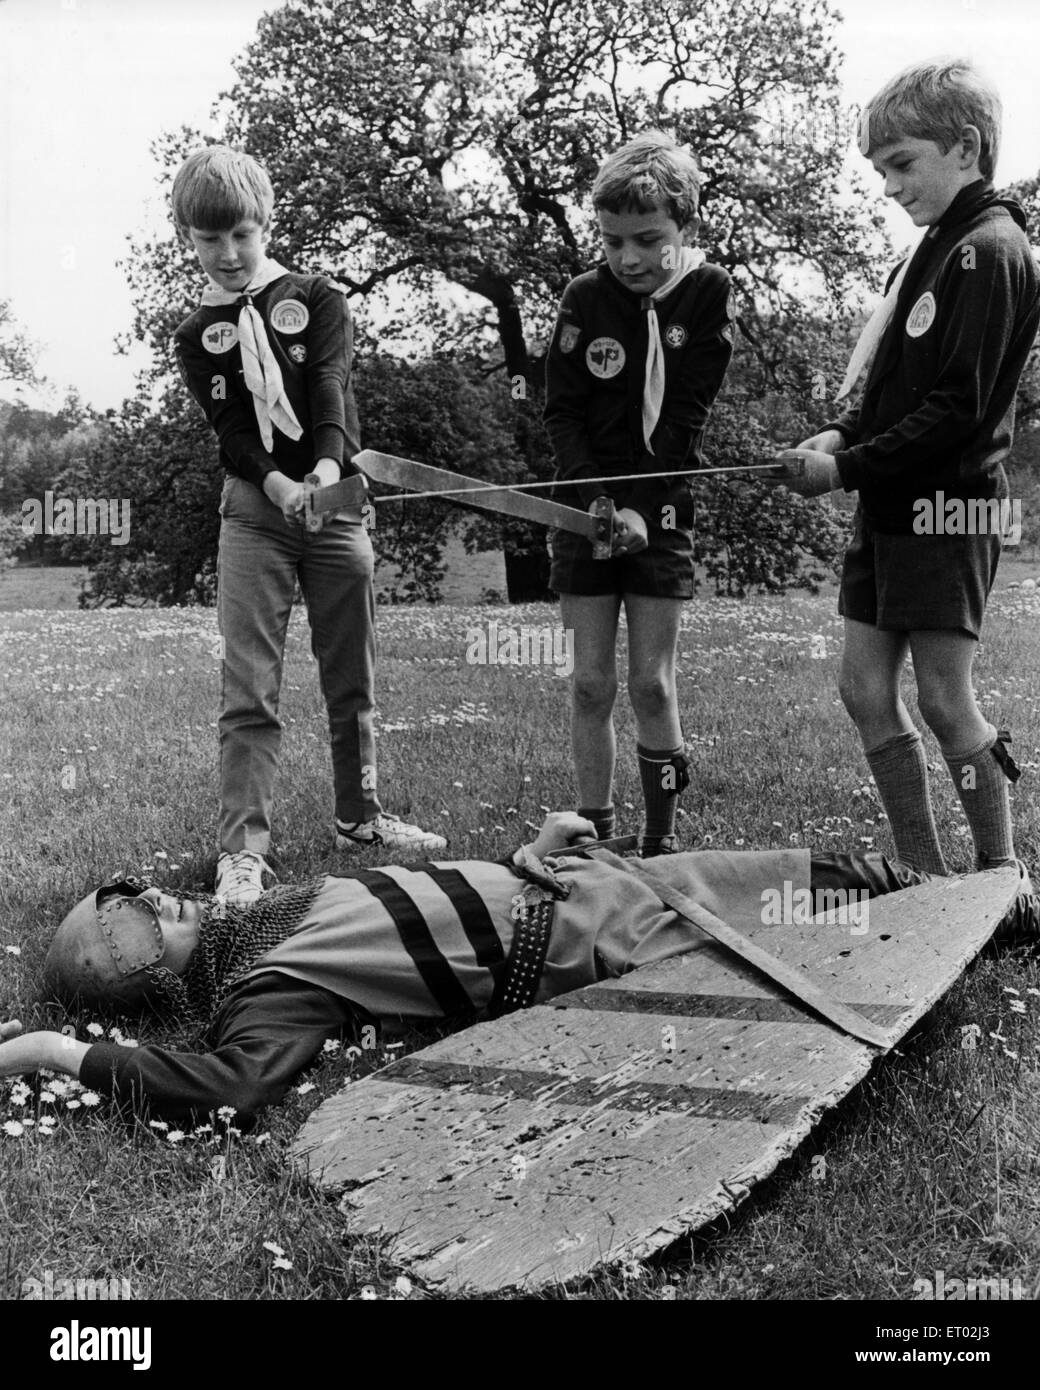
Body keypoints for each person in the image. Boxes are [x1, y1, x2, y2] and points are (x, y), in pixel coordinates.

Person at [7, 809, 1011, 1124]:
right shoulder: (263, 988)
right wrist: (53, 1050)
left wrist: (535, 843)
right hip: (598, 942)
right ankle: (1002, 908)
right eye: (128, 916)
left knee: (837, 873)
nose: (153, 896)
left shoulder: (261, 918)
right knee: (839, 905)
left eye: (131, 887)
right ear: (134, 967)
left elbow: (422, 895)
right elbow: (235, 1084)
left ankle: (998, 898)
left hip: (584, 878)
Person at [770, 59, 1040, 882]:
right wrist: (836, 432)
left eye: (901, 163)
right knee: (863, 688)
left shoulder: (989, 251)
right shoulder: (931, 250)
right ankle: (922, 875)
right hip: (890, 504)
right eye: (879, 169)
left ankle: (1003, 882)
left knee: (944, 701)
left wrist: (844, 467)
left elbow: (957, 411)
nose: (888, 186)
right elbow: (886, 383)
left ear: (963, 148)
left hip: (950, 509)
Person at [171, 146, 445, 906]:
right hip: (255, 514)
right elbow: (232, 432)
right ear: (187, 237)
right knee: (249, 687)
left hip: (334, 497)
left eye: (242, 236)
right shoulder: (198, 334)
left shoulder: (318, 298)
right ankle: (242, 853)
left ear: (266, 225)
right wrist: (278, 482)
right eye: (209, 239)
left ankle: (361, 818)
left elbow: (329, 386)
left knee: (349, 673)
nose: (228, 255)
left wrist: (324, 472)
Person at [543, 131, 736, 857]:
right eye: (613, 239)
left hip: (662, 512)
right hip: (583, 514)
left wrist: (641, 511)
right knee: (591, 685)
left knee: (652, 686)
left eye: (648, 239)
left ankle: (661, 843)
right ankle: (596, 835)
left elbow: (686, 416)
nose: (628, 258)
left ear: (686, 226)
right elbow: (561, 412)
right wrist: (598, 505)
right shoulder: (584, 297)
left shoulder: (708, 293)